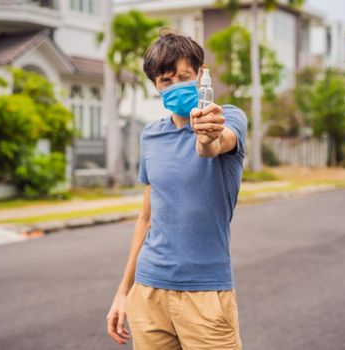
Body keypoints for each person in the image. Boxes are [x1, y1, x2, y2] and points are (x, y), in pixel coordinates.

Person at [106, 30, 247, 349]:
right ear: (155, 85)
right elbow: (146, 218)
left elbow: (213, 145)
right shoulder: (150, 136)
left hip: (206, 296)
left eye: (184, 76)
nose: (174, 86)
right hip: (148, 291)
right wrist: (123, 292)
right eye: (165, 80)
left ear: (200, 76)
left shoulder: (228, 117)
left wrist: (207, 133)